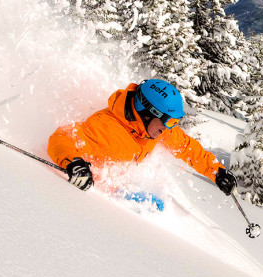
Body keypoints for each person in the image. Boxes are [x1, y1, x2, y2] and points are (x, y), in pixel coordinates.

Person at [47, 79, 237, 196]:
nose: (169, 128)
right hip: (92, 198)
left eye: (174, 122)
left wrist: (216, 172)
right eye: (169, 121)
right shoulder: (104, 128)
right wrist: (73, 163)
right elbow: (61, 137)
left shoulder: (154, 129)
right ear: (147, 113)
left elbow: (187, 147)